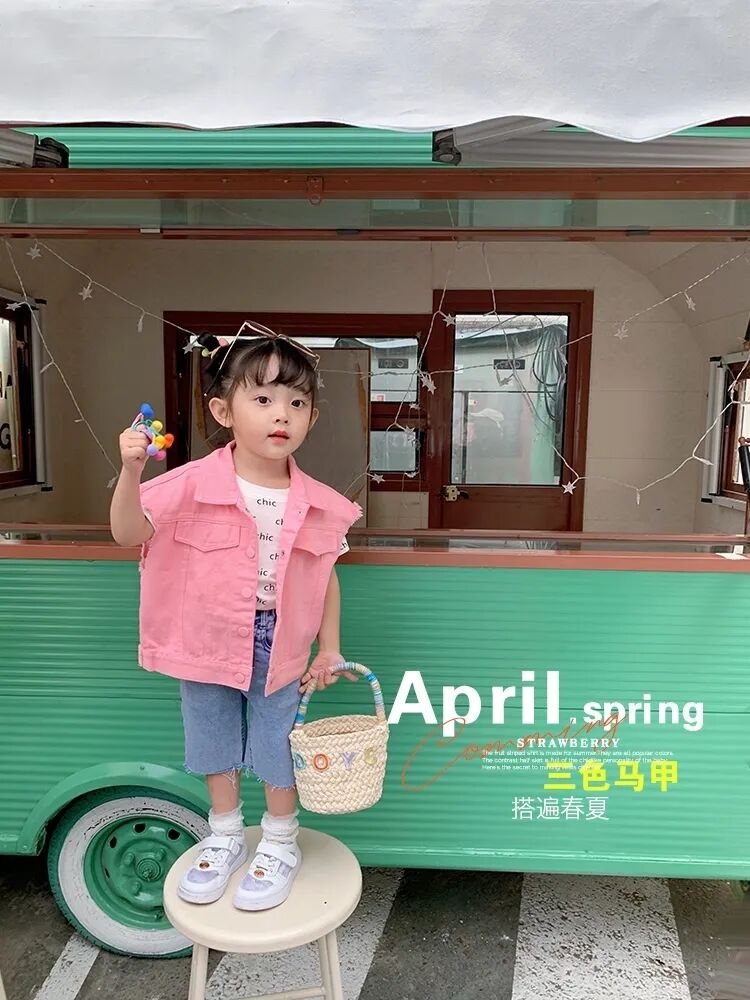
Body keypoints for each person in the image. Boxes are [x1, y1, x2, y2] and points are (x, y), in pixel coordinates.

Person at [109, 331, 361, 911]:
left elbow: (324, 576)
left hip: (281, 640)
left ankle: (279, 843)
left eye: (297, 402)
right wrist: (129, 471)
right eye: (264, 399)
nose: (282, 414)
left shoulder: (319, 503)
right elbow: (126, 534)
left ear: (312, 418)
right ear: (223, 412)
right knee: (212, 737)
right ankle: (223, 837)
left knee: (277, 741)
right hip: (205, 637)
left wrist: (330, 648)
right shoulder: (187, 485)